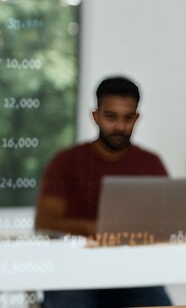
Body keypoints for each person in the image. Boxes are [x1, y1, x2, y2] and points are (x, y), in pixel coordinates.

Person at [34, 76, 172, 307]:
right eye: (111, 117)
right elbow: (45, 220)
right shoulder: (66, 161)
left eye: (128, 118)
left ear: (136, 118)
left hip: (135, 276)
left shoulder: (151, 164)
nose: (119, 126)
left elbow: (179, 224)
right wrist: (91, 229)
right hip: (73, 275)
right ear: (95, 116)